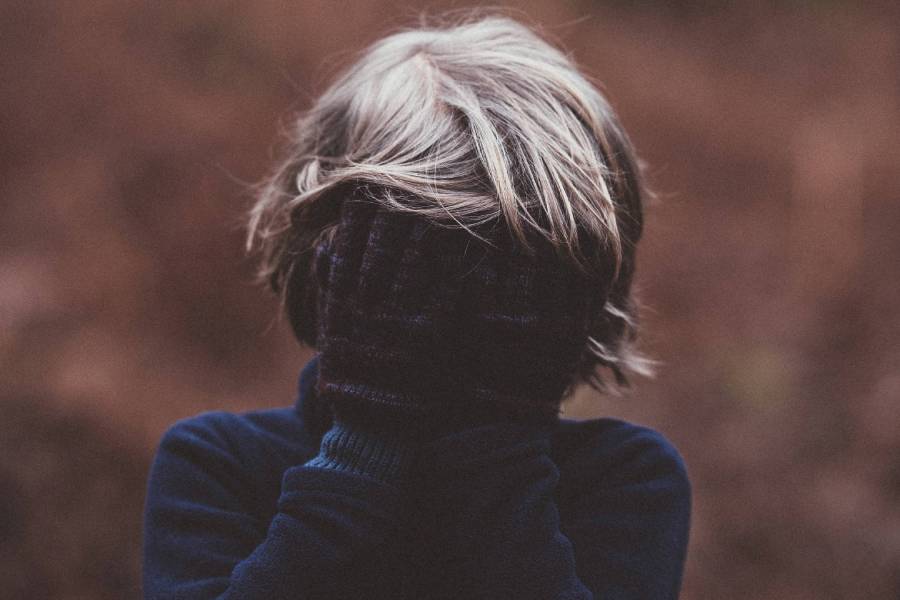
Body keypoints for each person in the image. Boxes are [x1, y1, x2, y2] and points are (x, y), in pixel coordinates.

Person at [141, 12, 691, 599]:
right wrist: (362, 449)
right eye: (407, 256)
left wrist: (497, 451)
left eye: (507, 269)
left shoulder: (626, 479)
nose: (455, 303)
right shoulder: (219, 465)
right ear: (329, 263)